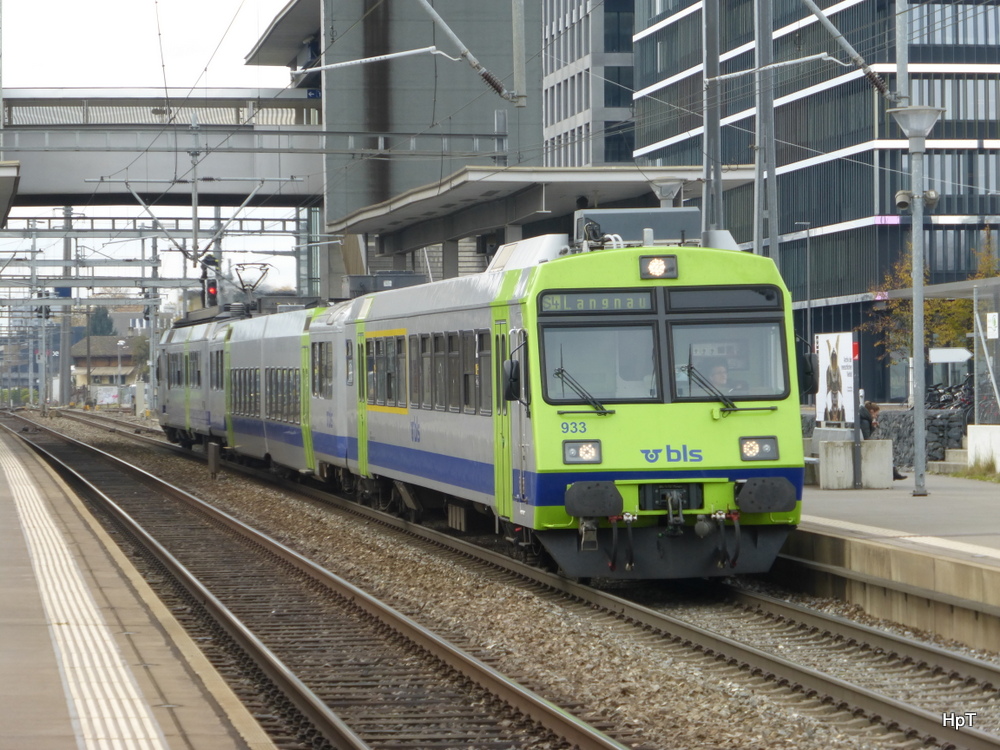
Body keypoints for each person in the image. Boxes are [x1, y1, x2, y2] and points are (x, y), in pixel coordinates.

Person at [861, 401, 907, 480]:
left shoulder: (862, 418)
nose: (876, 416)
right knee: (884, 452)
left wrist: (872, 426)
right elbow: (866, 437)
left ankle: (894, 473)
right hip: (864, 447)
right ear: (871, 411)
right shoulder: (865, 422)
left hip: (862, 445)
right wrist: (873, 427)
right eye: (876, 414)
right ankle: (893, 473)